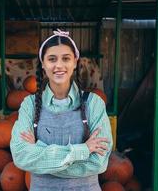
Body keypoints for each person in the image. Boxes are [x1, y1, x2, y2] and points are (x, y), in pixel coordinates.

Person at [10, 29, 113, 191]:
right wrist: (83, 150)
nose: (59, 65)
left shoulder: (94, 104)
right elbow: (21, 156)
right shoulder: (29, 105)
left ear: (75, 62)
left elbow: (98, 163)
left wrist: (40, 152)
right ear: (43, 64)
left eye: (66, 58)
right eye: (52, 59)